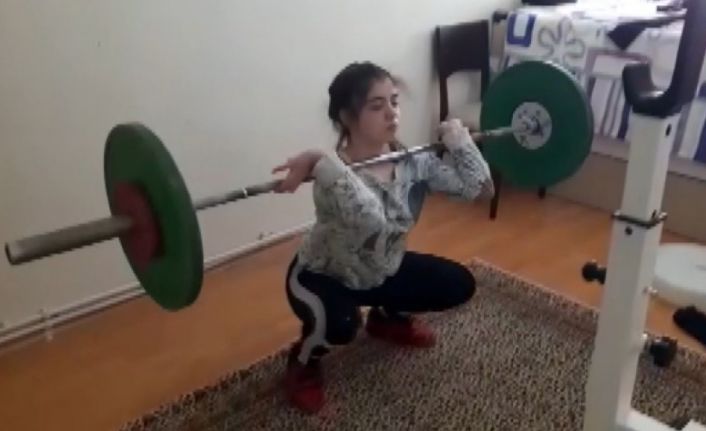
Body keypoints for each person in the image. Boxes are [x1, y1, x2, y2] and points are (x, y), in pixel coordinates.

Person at [271, 61, 494, 414]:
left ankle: (387, 317)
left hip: (381, 268)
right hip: (324, 275)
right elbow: (371, 222)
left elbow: (481, 190)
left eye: (394, 101)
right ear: (347, 117)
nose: (391, 113)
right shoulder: (333, 178)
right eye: (377, 106)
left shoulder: (412, 163)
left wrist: (462, 144)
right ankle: (304, 360)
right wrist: (321, 159)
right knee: (342, 327)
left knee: (457, 284)